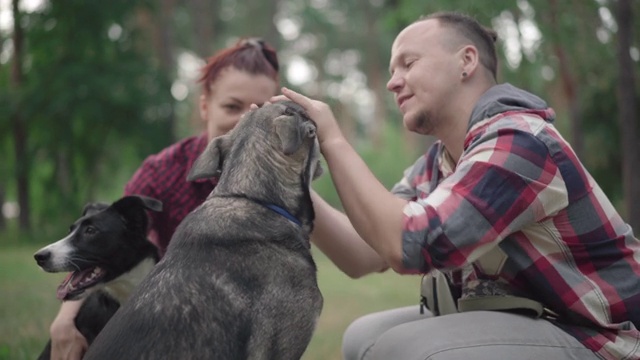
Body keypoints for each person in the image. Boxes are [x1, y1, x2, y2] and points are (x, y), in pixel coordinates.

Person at [275, 11, 640, 360]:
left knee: (400, 348)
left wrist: (335, 142)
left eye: (409, 63)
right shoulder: (440, 163)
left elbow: (409, 244)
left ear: (466, 61)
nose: (391, 82)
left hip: (606, 340)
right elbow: (362, 253)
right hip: (545, 323)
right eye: (390, 70)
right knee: (362, 336)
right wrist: (289, 184)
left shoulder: (519, 140)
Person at [47, 37, 281, 360]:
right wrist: (64, 321)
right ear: (204, 106)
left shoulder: (283, 180)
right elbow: (110, 241)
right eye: (232, 106)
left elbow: (365, 258)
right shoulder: (163, 172)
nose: (246, 121)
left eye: (260, 110)